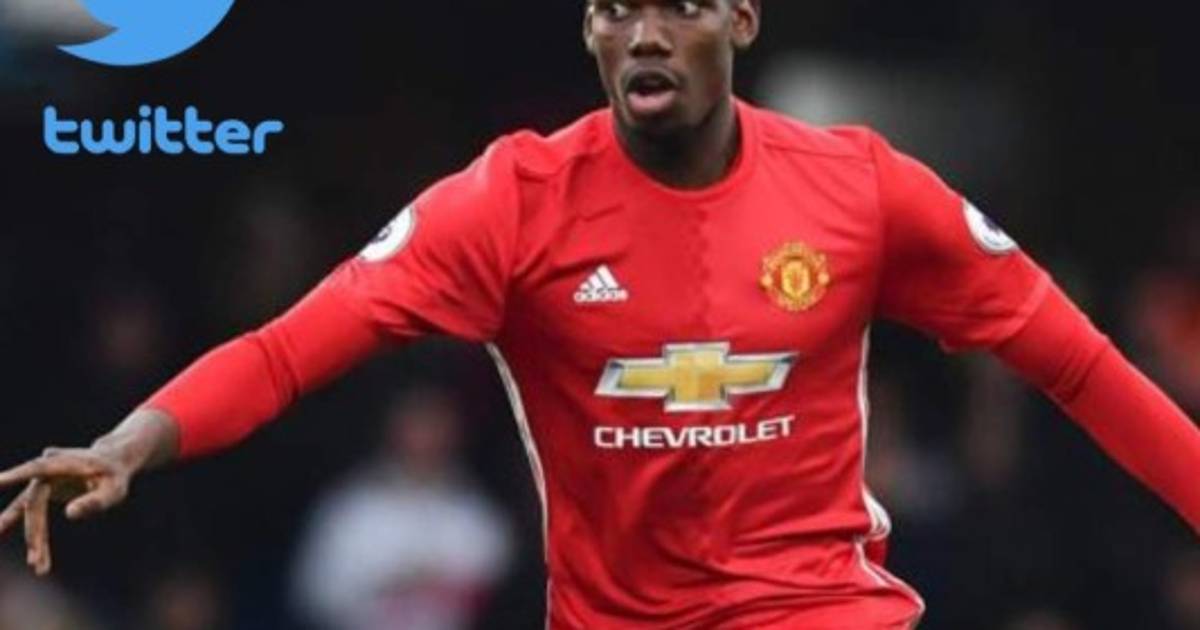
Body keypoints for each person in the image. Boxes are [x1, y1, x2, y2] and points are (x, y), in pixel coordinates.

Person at [1, 1, 1197, 628]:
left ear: (741, 17)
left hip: (818, 613)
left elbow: (1079, 366)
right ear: (587, 28)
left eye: (678, 5)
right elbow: (286, 351)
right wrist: (132, 441)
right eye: (617, 7)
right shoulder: (510, 203)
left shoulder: (863, 189)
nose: (645, 33)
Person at [291, 386, 512, 630]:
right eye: (417, 427)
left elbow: (494, 585)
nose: (425, 440)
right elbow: (316, 594)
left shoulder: (476, 516)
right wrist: (392, 583)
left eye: (434, 428)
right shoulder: (350, 510)